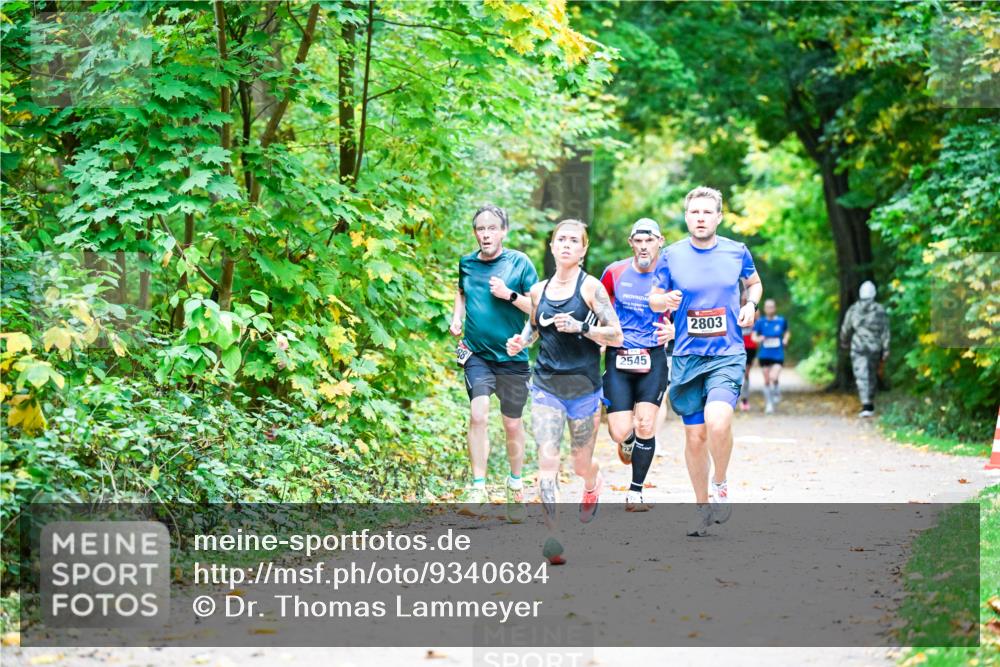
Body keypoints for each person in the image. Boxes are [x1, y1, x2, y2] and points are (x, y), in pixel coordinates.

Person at [506, 219, 623, 563]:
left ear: (584, 250)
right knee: (547, 457)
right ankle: (553, 534)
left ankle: (592, 483)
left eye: (575, 240)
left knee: (580, 462)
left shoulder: (590, 290)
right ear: (552, 246)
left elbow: (616, 335)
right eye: (562, 239)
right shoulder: (538, 291)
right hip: (546, 385)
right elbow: (533, 329)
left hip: (584, 387)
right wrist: (520, 343)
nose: (567, 245)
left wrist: (582, 327)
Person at [649, 186, 762, 537]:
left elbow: (754, 284)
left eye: (706, 212)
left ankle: (721, 482)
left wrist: (750, 304)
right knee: (695, 437)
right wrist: (662, 298)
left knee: (718, 422)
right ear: (686, 217)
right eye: (694, 212)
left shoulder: (736, 251)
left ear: (718, 217)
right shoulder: (671, 255)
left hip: (726, 354)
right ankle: (702, 507)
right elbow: (653, 298)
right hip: (686, 356)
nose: (700, 218)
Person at [450, 204, 538, 521]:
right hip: (477, 354)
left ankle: (516, 488)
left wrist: (508, 295)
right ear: (475, 233)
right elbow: (461, 292)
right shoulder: (467, 263)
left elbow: (537, 311)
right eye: (480, 229)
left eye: (492, 228)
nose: (485, 234)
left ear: (504, 231)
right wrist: (456, 317)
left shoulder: (520, 263)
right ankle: (477, 488)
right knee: (478, 413)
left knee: (512, 423)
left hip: (513, 357)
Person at [599, 218, 673, 511]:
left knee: (645, 422)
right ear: (631, 243)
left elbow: (689, 307)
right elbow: (598, 305)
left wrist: (676, 331)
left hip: (653, 354)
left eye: (649, 240)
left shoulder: (669, 275)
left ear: (660, 241)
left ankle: (635, 491)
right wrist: (603, 332)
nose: (644, 246)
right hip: (619, 354)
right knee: (619, 431)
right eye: (638, 241)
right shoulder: (614, 272)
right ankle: (626, 440)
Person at [839, 280, 890, 418]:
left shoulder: (854, 309)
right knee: (871, 375)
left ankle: (866, 403)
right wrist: (886, 349)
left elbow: (846, 328)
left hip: (858, 347)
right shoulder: (880, 310)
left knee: (861, 375)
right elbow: (885, 331)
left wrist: (844, 341)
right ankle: (869, 403)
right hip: (874, 347)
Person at [752, 299, 790, 414]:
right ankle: (769, 404)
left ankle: (777, 389)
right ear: (765, 308)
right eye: (768, 307)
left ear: (775, 308)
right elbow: (754, 336)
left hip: (778, 354)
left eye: (772, 307)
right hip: (764, 354)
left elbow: (787, 332)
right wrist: (759, 339)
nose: (770, 309)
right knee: (767, 380)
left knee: (773, 377)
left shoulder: (781, 321)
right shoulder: (760, 322)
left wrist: (785, 339)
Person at [739, 289, 758, 412]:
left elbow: (758, 327)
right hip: (738, 345)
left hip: (750, 346)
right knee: (738, 373)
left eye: (747, 296)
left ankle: (744, 398)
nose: (745, 297)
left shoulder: (756, 311)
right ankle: (734, 398)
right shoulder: (735, 308)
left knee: (745, 373)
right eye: (743, 296)